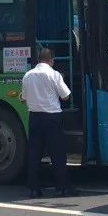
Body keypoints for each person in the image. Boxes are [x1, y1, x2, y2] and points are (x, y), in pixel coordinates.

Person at [21, 47, 71, 197]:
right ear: (51, 60)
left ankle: (34, 188)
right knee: (57, 153)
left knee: (34, 153)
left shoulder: (28, 75)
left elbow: (24, 97)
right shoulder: (54, 74)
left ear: (38, 59)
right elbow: (65, 96)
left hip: (34, 117)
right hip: (52, 117)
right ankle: (62, 187)